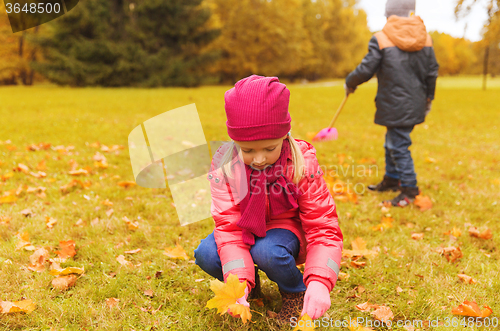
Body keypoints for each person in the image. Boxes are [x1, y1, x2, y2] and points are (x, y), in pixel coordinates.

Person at [194, 75, 343, 324]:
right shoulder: (225, 166)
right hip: (244, 229)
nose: (260, 159)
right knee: (207, 253)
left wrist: (320, 282)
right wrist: (238, 281)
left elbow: (323, 228)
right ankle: (250, 286)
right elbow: (229, 229)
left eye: (269, 148)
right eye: (249, 150)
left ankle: (296, 292)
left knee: (267, 251)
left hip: (286, 232)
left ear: (285, 137)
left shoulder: (301, 164)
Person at [344, 0, 439, 207]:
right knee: (393, 141)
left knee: (398, 145)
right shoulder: (426, 38)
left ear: (389, 14)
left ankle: (409, 191)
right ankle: (391, 179)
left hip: (394, 103)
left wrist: (350, 82)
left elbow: (366, 69)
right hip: (415, 102)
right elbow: (432, 72)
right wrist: (428, 98)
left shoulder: (381, 37)